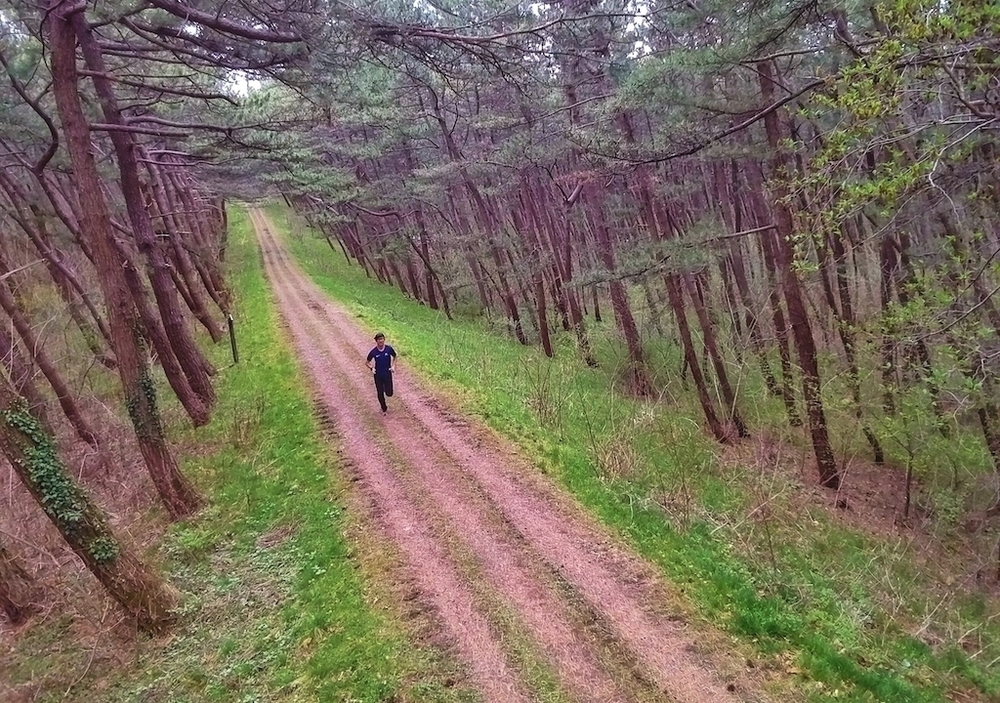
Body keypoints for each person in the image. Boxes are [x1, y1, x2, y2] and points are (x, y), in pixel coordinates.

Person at [366, 332, 396, 414]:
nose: (381, 341)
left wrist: (393, 366)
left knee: (389, 393)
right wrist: (371, 368)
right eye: (379, 339)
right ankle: (383, 407)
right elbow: (367, 362)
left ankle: (385, 388)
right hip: (378, 374)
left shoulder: (389, 349)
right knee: (380, 392)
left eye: (382, 339)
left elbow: (395, 356)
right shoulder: (373, 352)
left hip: (387, 373)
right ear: (376, 341)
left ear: (384, 339)